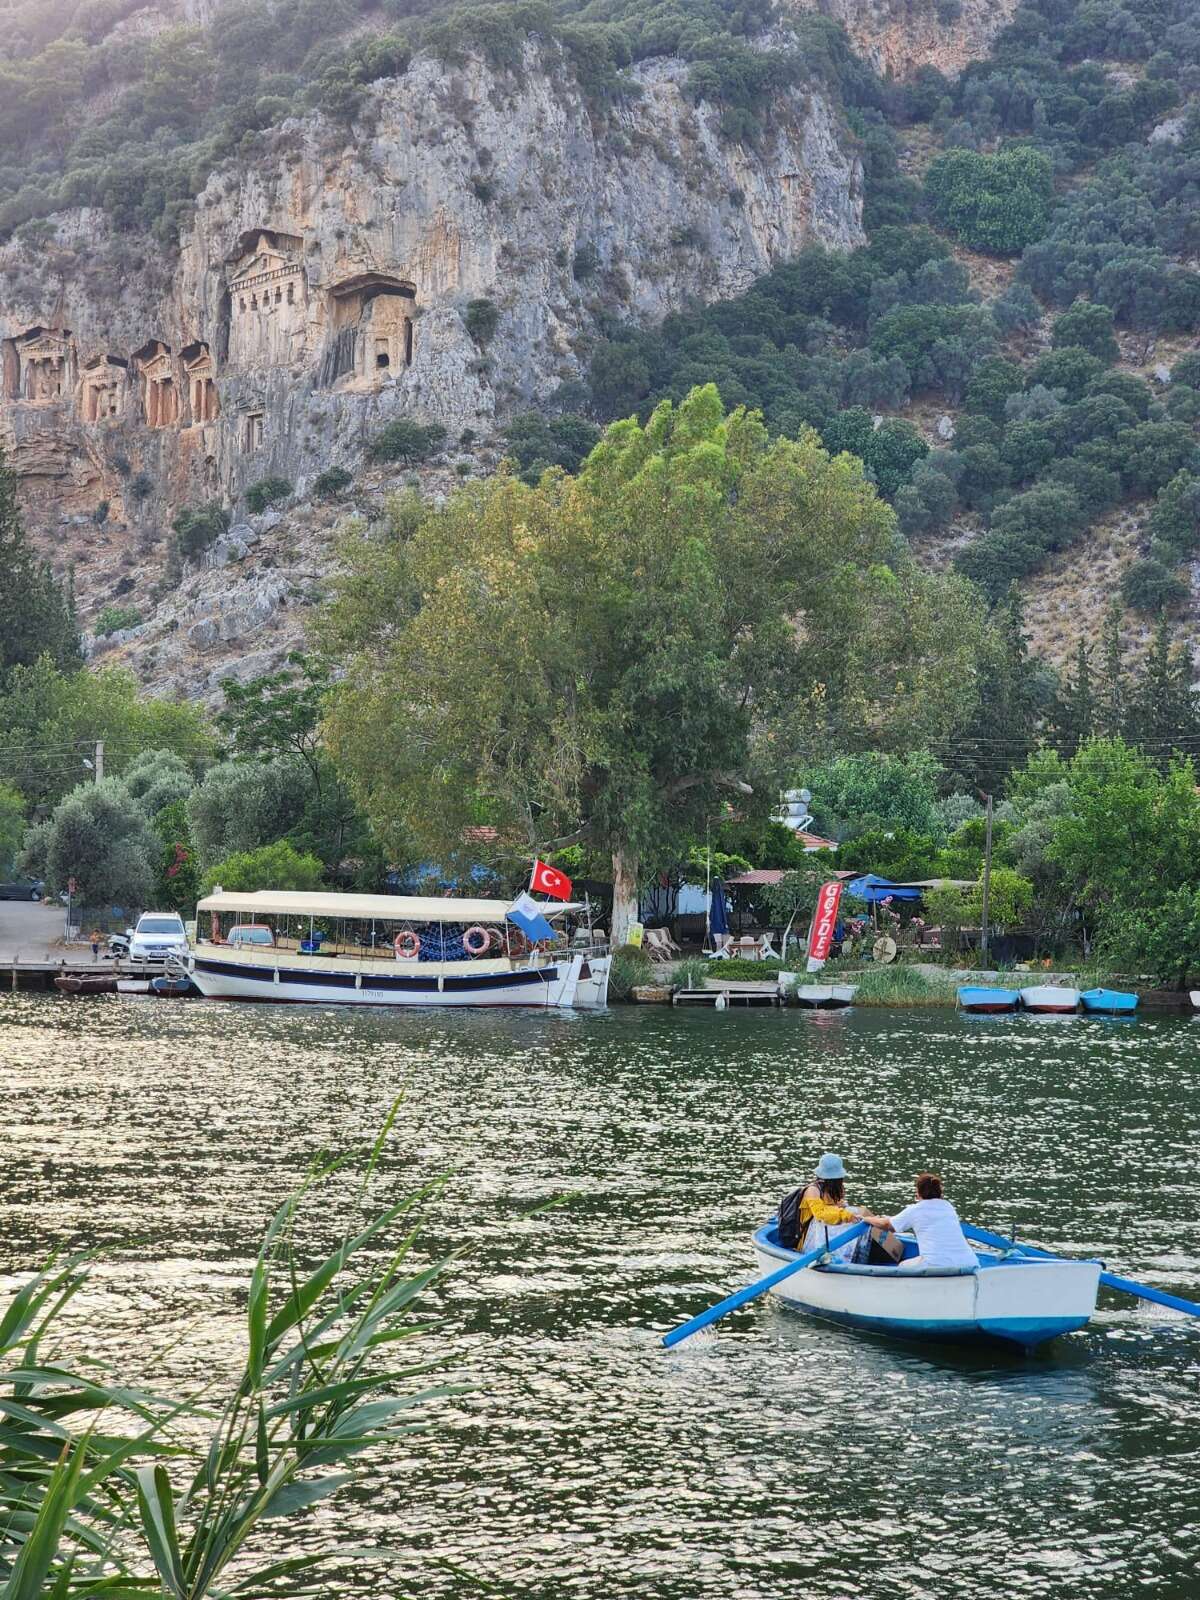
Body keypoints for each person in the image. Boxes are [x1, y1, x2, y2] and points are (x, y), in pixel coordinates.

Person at [794, 1153, 895, 1264]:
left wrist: (854, 1215)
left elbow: (840, 1207)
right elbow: (820, 1214)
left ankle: (853, 1259)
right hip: (811, 1240)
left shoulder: (837, 1190)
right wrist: (845, 1215)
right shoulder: (813, 1190)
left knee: (856, 1214)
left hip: (829, 1236)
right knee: (849, 1214)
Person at [883, 1172, 978, 1271]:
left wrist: (868, 1218)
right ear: (939, 1193)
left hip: (936, 1264)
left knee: (902, 1266)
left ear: (918, 1193)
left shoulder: (915, 1210)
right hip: (969, 1262)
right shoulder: (948, 1207)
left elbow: (887, 1225)